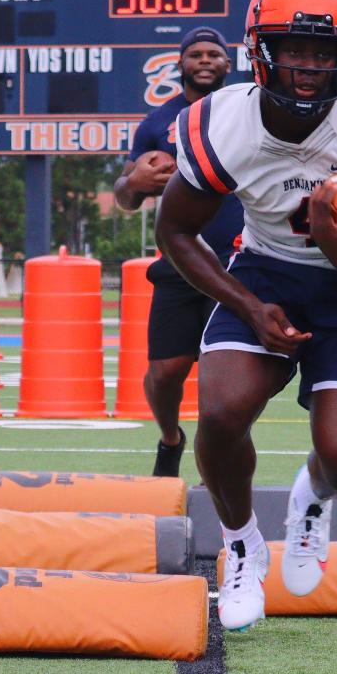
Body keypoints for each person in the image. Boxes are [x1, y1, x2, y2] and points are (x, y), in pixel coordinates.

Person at [155, 0, 337, 631]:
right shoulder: (223, 122)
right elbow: (175, 229)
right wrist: (249, 307)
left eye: (325, 53)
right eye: (295, 51)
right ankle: (241, 542)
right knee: (221, 412)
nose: (309, 67)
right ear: (262, 52)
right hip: (266, 273)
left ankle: (312, 499)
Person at [113, 26, 244, 478]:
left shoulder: (248, 112)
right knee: (165, 373)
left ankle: (220, 467)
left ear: (229, 64)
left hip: (238, 263)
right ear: (181, 64)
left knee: (221, 381)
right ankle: (171, 437)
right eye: (196, 55)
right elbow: (125, 197)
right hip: (180, 261)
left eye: (214, 54)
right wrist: (133, 184)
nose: (205, 61)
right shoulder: (156, 123)